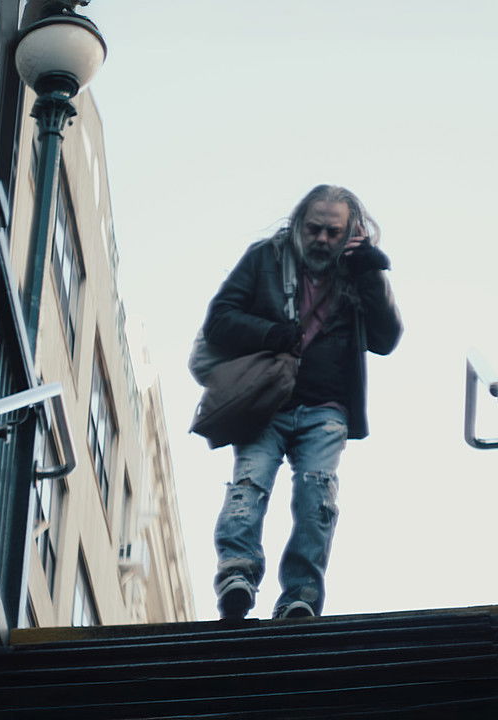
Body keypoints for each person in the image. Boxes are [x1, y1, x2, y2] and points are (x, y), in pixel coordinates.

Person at [200, 184, 402, 620]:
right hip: (266, 401)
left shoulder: (358, 271)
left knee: (317, 498)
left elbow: (386, 340)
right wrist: (272, 333)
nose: (322, 239)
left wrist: (370, 273)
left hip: (327, 408)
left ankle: (301, 594)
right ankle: (237, 573)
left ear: (351, 232)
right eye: (314, 229)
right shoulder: (265, 258)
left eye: (333, 232)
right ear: (298, 225)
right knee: (249, 485)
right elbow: (219, 320)